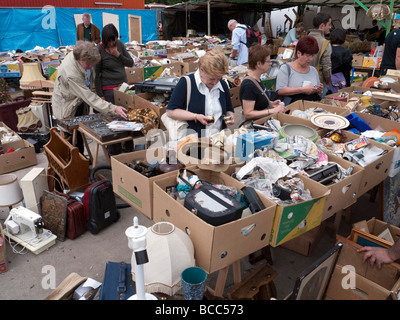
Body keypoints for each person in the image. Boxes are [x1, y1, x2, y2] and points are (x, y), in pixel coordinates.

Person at [52, 41, 127, 155]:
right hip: (67, 106)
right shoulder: (72, 73)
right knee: (72, 140)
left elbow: (89, 87)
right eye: (89, 64)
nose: (91, 67)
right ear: (81, 60)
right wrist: (113, 108)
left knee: (79, 136)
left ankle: (82, 162)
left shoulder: (80, 57)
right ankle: (77, 165)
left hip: (77, 101)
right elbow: (88, 96)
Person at [166, 47, 235, 138]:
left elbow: (228, 109)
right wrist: (196, 116)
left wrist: (230, 117)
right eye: (212, 79)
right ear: (201, 69)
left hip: (218, 141)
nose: (215, 83)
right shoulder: (186, 83)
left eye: (218, 78)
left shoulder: (222, 84)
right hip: (193, 144)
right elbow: (170, 111)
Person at [94, 23, 134, 155]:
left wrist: (117, 55)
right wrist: (101, 95)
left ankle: (128, 149)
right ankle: (115, 152)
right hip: (109, 90)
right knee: (114, 121)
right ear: (104, 40)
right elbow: (96, 75)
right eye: (109, 40)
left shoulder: (120, 45)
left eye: (114, 39)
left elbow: (130, 62)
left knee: (127, 118)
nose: (111, 43)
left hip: (123, 88)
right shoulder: (99, 50)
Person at [239, 44, 286, 120]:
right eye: (268, 61)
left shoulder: (257, 79)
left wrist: (270, 104)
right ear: (259, 64)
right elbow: (248, 113)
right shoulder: (249, 85)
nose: (270, 64)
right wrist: (272, 111)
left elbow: (257, 101)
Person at [275, 36, 323, 105]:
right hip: (292, 108)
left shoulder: (313, 70)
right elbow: (280, 90)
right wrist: (302, 89)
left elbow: (317, 91)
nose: (310, 59)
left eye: (312, 56)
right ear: (299, 53)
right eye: (308, 56)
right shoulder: (286, 68)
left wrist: (318, 90)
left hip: (311, 107)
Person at [308, 12, 332, 95]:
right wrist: (328, 81)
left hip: (301, 83)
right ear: (322, 25)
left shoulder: (302, 40)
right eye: (329, 24)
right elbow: (327, 67)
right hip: (318, 83)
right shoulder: (325, 43)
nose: (330, 27)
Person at [329, 28, 353, 93]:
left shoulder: (326, 50)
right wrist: (348, 84)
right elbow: (346, 70)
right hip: (339, 81)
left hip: (326, 80)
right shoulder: (346, 52)